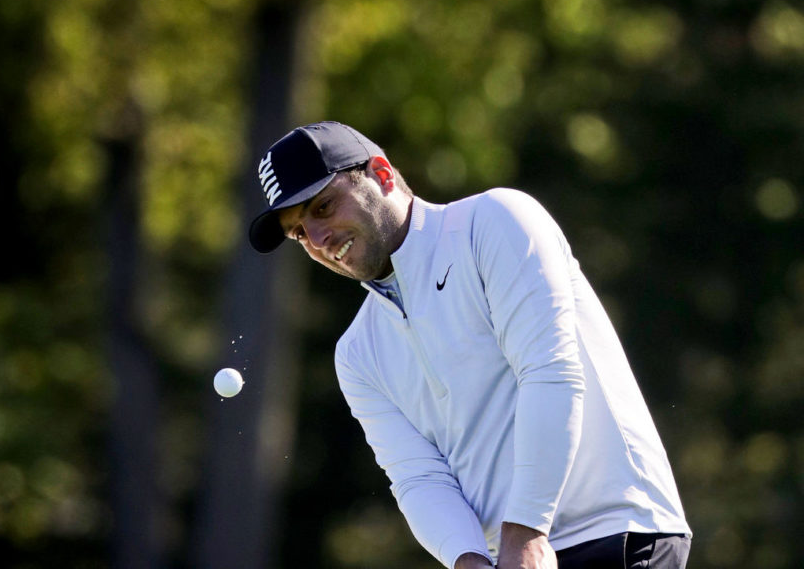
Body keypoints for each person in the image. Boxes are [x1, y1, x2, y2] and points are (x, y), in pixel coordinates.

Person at [246, 121, 692, 569]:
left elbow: (550, 373)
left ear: (381, 174)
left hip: (618, 531)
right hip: (510, 557)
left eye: (323, 207)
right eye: (300, 234)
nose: (319, 241)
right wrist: (470, 560)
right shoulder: (358, 352)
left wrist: (526, 534)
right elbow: (418, 477)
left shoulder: (494, 220)